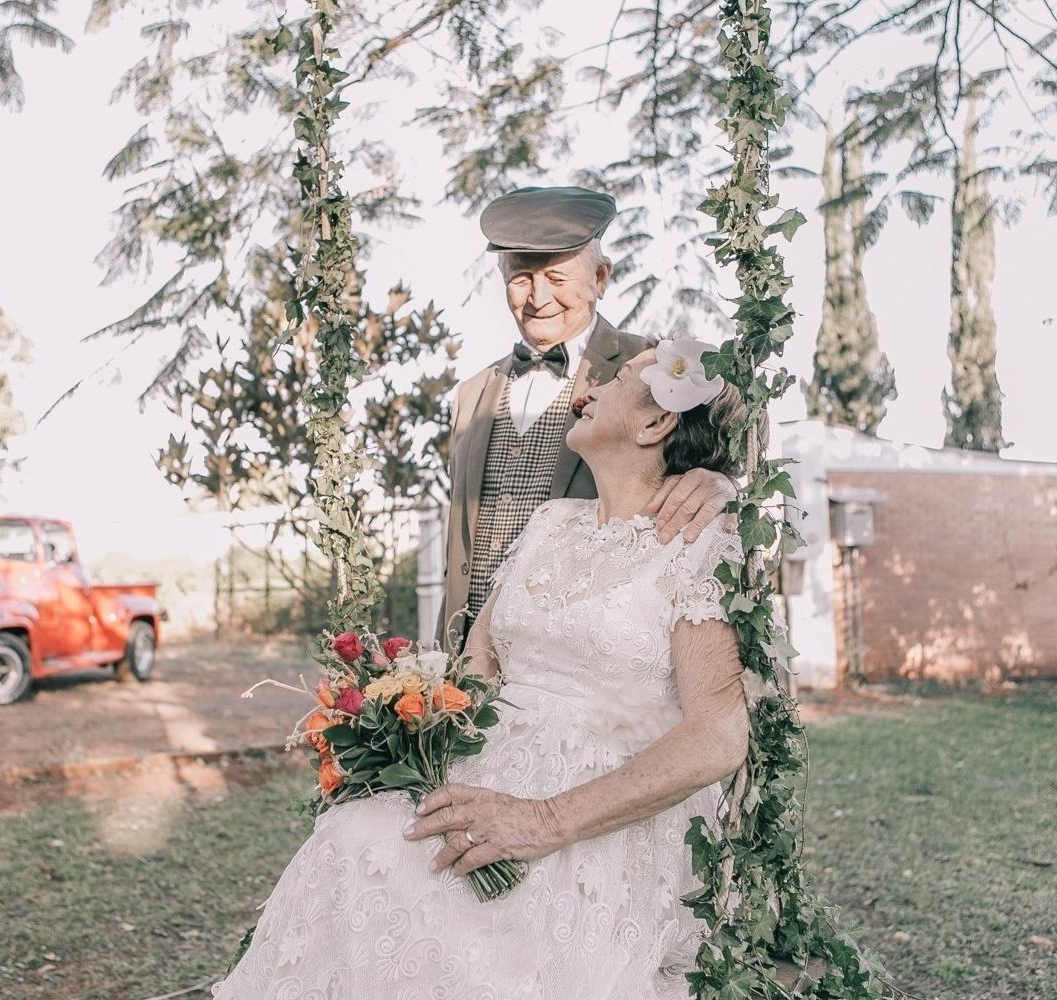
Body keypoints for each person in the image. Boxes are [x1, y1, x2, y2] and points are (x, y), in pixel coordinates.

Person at [214, 339, 751, 999]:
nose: (590, 386)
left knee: (458, 912)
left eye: (617, 380)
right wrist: (404, 733)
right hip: (487, 768)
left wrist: (546, 819)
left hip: (594, 812)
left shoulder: (704, 544)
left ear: (656, 421)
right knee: (355, 835)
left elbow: (719, 734)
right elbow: (476, 671)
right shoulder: (551, 522)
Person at [440, 184, 736, 649]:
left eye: (557, 278)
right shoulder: (471, 394)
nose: (537, 298)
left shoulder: (650, 367)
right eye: (520, 278)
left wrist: (725, 482)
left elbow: (733, 445)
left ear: (600, 277)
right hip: (466, 661)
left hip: (577, 655)